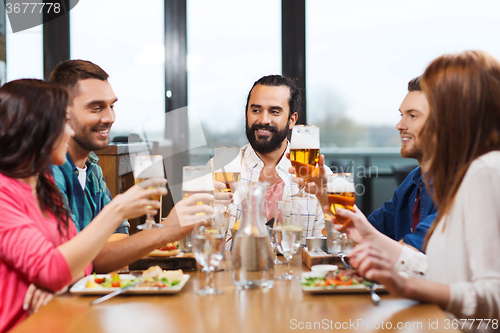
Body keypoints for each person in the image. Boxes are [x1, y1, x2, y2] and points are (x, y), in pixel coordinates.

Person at [340, 50, 500, 330]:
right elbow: (446, 273)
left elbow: (494, 297)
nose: (403, 124)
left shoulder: (484, 172)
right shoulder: (464, 176)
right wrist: (366, 234)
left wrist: (408, 287)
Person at [0, 79, 166, 332]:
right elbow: (56, 269)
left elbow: (82, 263)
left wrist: (57, 280)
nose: (69, 132)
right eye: (61, 124)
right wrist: (118, 209)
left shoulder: (43, 188)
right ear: (35, 129)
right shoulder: (3, 194)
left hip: (58, 321)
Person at [49, 60, 213, 273]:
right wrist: (165, 231)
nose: (110, 118)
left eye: (112, 106)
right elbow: (71, 264)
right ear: (62, 112)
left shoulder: (93, 169)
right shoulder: (48, 172)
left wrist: (100, 252)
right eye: (96, 108)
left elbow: (119, 239)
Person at [290, 76, 436, 261]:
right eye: (401, 115)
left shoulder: (460, 189)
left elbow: (414, 258)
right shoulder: (412, 182)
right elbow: (364, 234)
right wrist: (326, 196)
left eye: (412, 115)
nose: (399, 125)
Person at [228, 75, 325, 244]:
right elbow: (196, 241)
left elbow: (328, 251)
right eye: (256, 110)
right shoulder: (219, 170)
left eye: (274, 112)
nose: (264, 120)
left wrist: (327, 200)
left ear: (291, 120)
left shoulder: (318, 178)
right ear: (246, 115)